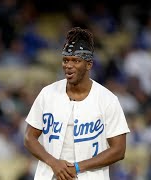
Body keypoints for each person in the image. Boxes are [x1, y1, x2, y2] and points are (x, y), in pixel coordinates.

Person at [23, 27, 130, 180]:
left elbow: (119, 150)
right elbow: (29, 137)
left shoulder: (107, 100)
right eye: (66, 60)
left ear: (89, 65)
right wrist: (54, 163)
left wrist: (77, 167)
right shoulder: (48, 94)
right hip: (50, 175)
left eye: (76, 61)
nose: (68, 65)